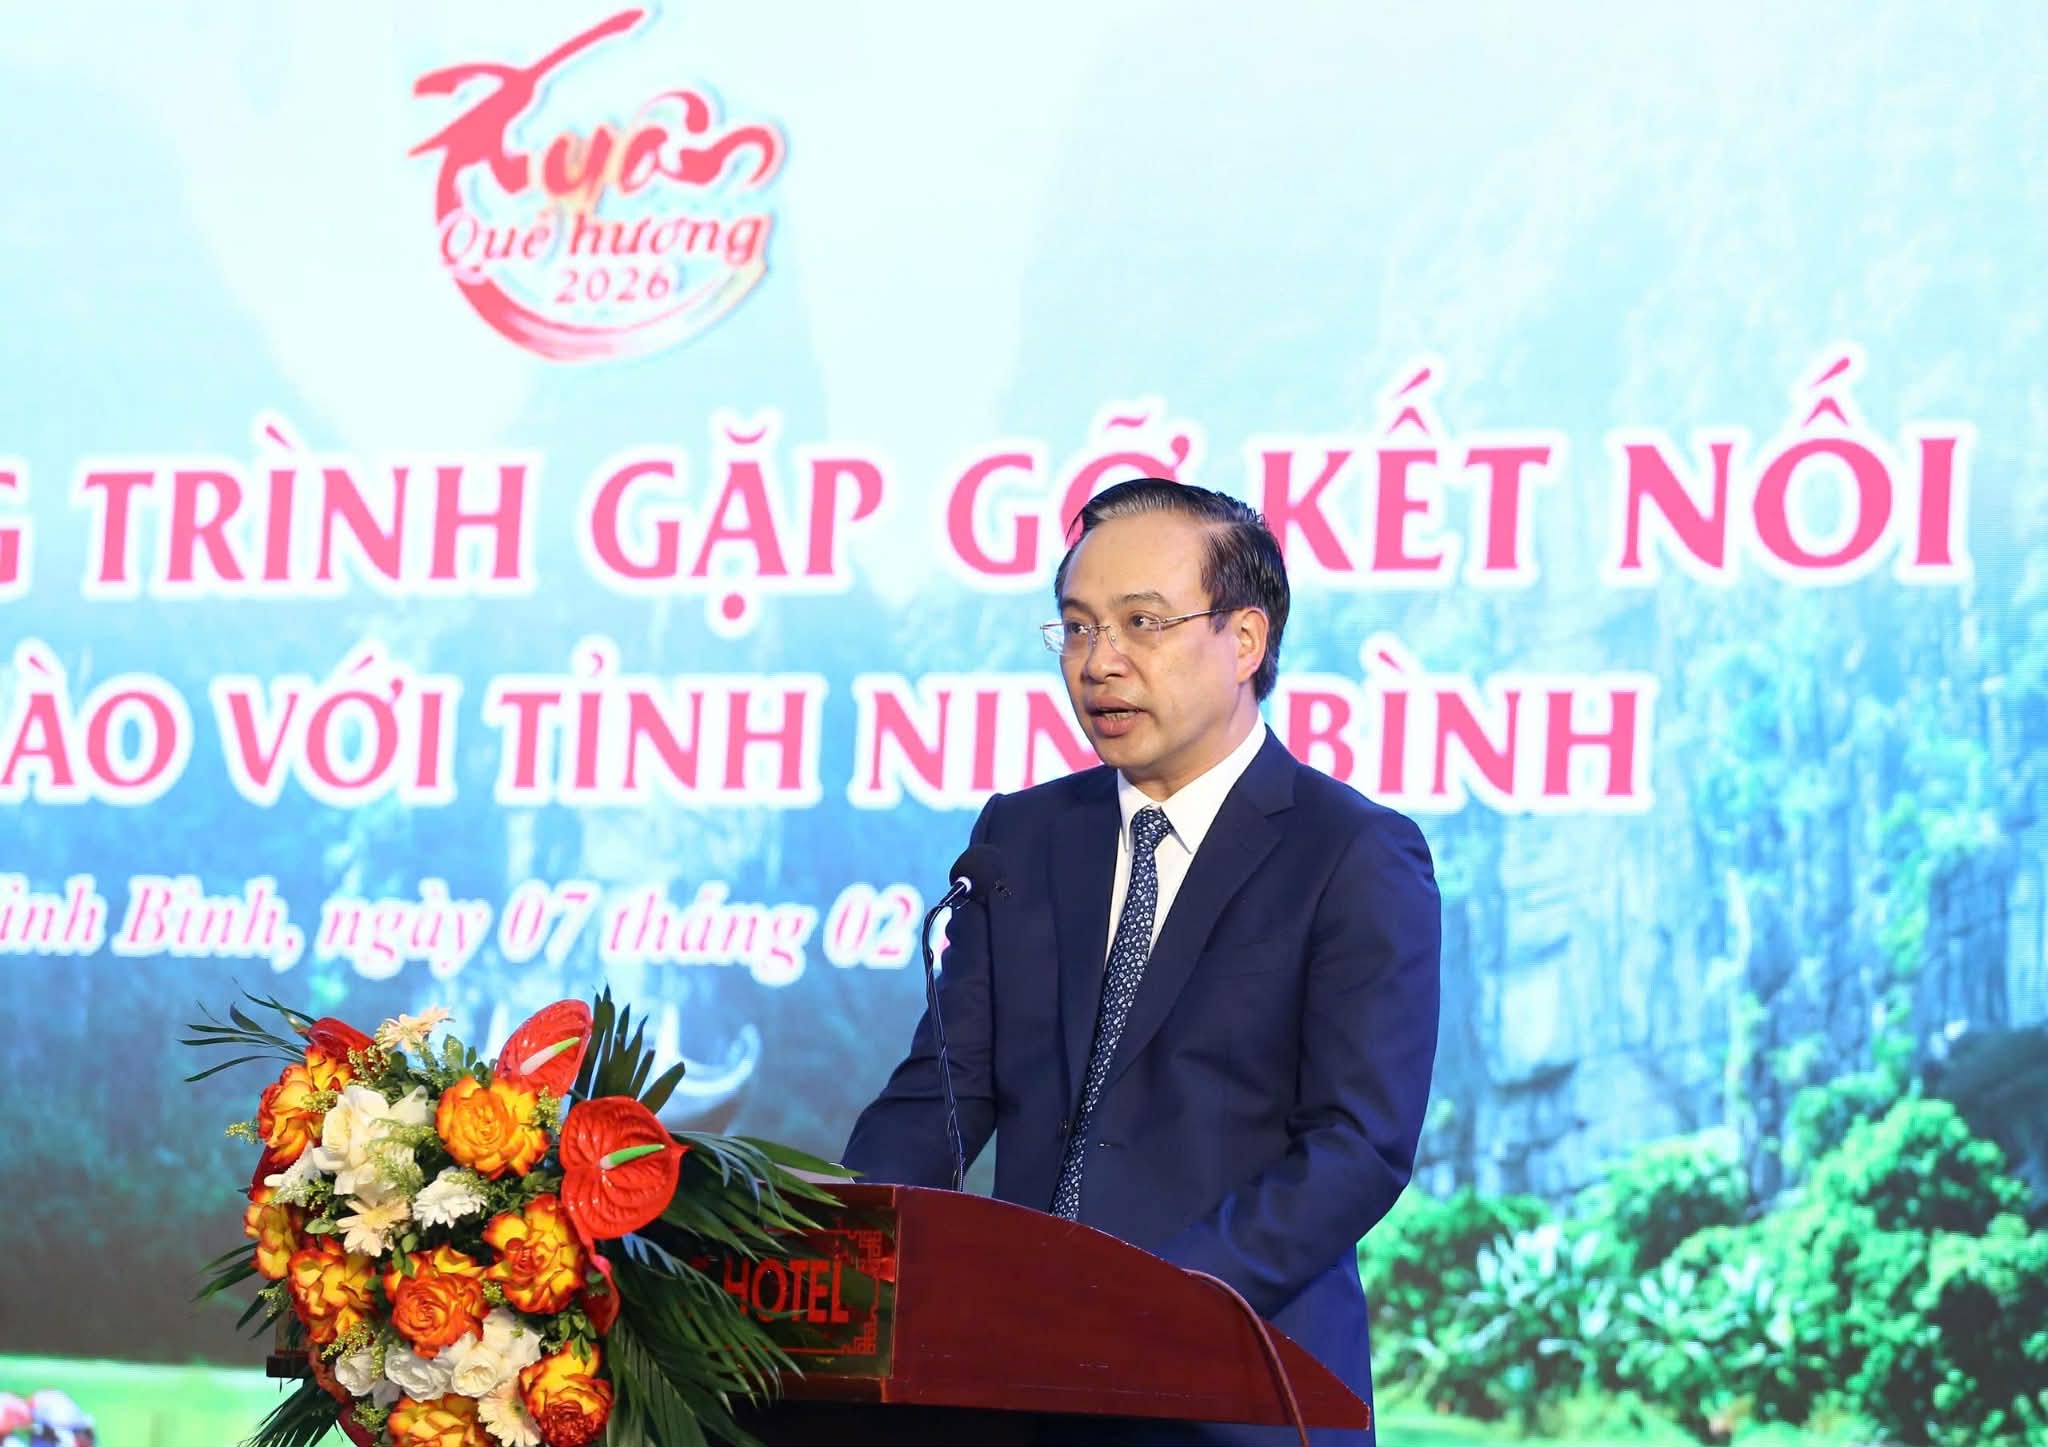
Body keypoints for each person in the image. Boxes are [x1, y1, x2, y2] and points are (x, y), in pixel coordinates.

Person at [843, 477, 1440, 1446]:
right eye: (1077, 627)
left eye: (1141, 623)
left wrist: (1149, 1307)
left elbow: (1356, 1144)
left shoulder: (1349, 852)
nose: (1099, 661)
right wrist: (833, 1258)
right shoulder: (1022, 837)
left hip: (1237, 1388)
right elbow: (940, 1096)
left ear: (1244, 640)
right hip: (1013, 1390)